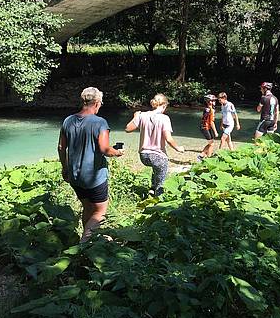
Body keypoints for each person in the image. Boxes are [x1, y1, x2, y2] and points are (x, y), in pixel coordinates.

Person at [58, 87, 124, 242]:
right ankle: (84, 242)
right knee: (100, 211)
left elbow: (61, 147)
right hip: (94, 178)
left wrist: (65, 167)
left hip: (75, 176)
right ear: (96, 103)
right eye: (100, 103)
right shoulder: (100, 122)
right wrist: (117, 152)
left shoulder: (68, 120)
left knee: (88, 207)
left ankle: (87, 236)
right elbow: (104, 149)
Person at [125, 93, 185, 197]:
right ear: (164, 105)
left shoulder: (142, 115)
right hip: (158, 156)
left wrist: (135, 117)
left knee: (155, 169)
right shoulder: (164, 118)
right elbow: (168, 139)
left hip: (144, 156)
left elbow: (127, 129)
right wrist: (178, 148)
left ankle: (152, 189)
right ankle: (158, 199)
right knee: (161, 180)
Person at [198, 94, 218, 160]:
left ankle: (201, 155)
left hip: (206, 127)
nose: (214, 102)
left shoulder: (208, 109)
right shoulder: (210, 110)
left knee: (211, 142)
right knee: (211, 144)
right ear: (209, 102)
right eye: (213, 101)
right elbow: (211, 122)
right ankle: (209, 159)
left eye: (214, 101)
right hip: (205, 128)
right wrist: (215, 132)